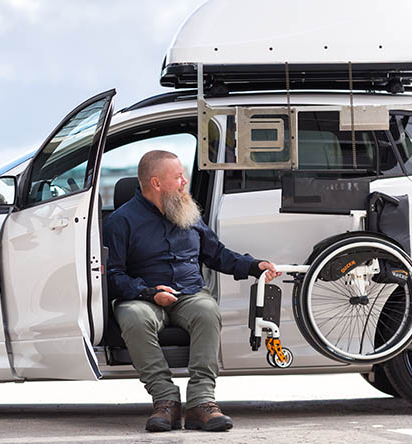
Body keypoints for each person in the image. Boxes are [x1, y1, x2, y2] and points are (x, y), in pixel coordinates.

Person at [104, 150, 280, 432]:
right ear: (156, 183)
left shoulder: (187, 212)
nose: (185, 182)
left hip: (189, 293)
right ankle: (165, 401)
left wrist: (254, 266)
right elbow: (113, 276)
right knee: (134, 318)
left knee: (208, 311)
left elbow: (217, 254)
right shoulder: (121, 221)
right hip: (143, 297)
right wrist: (149, 292)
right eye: (178, 177)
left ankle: (201, 403)